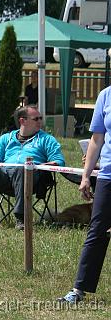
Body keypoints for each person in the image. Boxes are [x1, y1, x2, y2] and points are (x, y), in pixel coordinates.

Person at [58, 86, 111, 303]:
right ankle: (78, 290)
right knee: (97, 231)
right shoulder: (105, 95)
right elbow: (97, 139)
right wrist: (86, 176)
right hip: (108, 175)